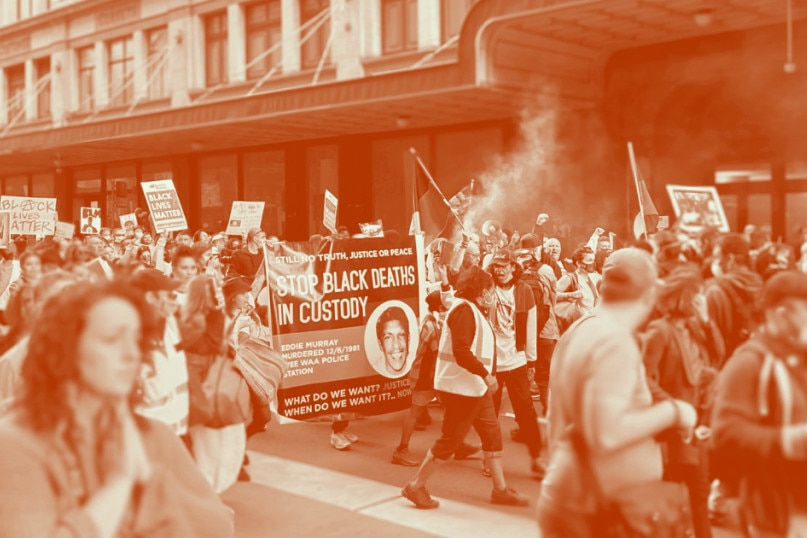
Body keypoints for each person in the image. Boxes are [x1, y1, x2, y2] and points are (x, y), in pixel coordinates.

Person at [0, 281, 234, 537]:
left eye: (135, 339)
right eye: (112, 339)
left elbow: (219, 526)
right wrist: (120, 482)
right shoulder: (17, 440)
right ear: (65, 347)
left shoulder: (154, 435)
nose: (131, 353)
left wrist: (152, 484)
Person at [537, 248, 698, 536]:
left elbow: (557, 414)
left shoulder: (581, 330)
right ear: (649, 295)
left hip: (579, 493)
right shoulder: (614, 341)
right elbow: (607, 432)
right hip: (599, 506)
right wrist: (675, 413)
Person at [402, 265, 529, 509]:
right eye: (490, 290)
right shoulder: (464, 310)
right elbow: (461, 351)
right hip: (460, 388)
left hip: (473, 388)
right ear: (481, 291)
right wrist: (487, 375)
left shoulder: (469, 308)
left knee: (492, 435)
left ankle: (500, 490)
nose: (492, 294)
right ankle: (415, 486)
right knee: (450, 440)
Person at [711, 270, 807, 537]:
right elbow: (726, 435)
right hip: (778, 512)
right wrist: (791, 440)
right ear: (780, 313)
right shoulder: (750, 362)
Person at [640, 266, 721, 538]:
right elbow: (645, 377)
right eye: (697, 297)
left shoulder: (694, 328)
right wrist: (674, 408)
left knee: (699, 492)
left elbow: (718, 354)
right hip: (674, 427)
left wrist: (707, 320)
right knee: (673, 496)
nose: (701, 301)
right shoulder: (660, 331)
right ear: (684, 298)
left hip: (697, 425)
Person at [391, 291, 481, 467]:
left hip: (436, 376)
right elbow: (439, 350)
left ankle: (457, 444)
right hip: (425, 377)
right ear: (440, 308)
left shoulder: (437, 323)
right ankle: (401, 450)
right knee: (415, 413)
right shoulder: (431, 326)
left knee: (452, 410)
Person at [486, 250, 545, 477]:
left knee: (526, 413)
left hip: (516, 360)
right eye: (496, 266)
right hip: (491, 363)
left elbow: (530, 327)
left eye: (504, 265)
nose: (499, 270)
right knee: (489, 415)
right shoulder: (487, 287)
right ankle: (489, 459)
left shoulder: (524, 290)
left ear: (513, 266)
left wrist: (531, 360)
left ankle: (537, 458)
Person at [128, 269, 190, 437]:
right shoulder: (130, 339)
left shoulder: (171, 325)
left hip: (176, 433)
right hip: (146, 438)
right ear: (150, 297)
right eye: (170, 295)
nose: (175, 301)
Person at [370, 306, 412, 377]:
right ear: (380, 344)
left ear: (408, 339)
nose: (396, 345)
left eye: (401, 335)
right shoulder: (372, 372)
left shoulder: (419, 364)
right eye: (388, 337)